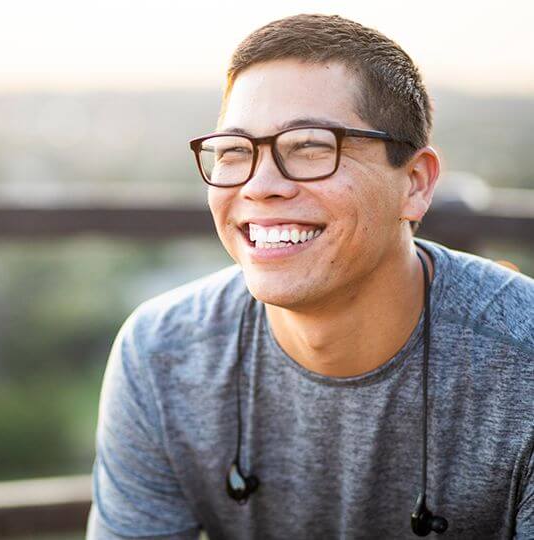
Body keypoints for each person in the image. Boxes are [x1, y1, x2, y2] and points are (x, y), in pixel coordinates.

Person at [86, 13, 534, 539]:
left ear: (414, 183)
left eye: (311, 147)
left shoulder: (520, 362)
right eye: (234, 152)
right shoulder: (162, 354)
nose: (260, 185)